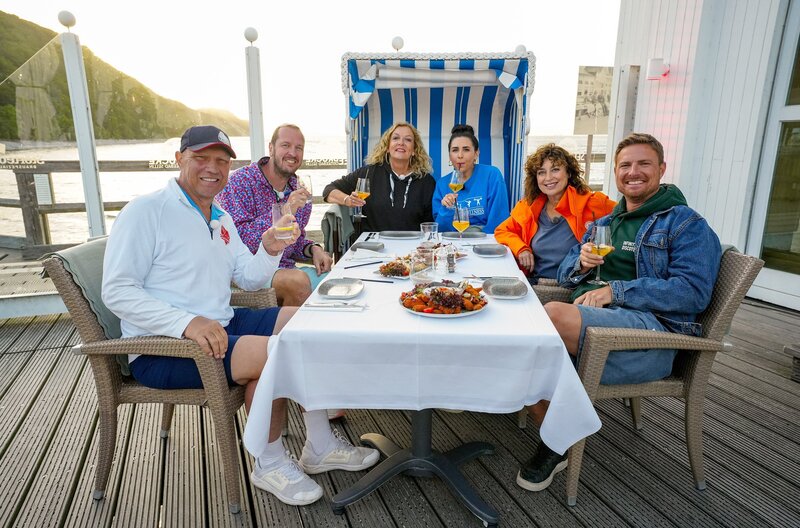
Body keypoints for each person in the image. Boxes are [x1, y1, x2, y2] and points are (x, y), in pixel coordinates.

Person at [102, 125, 377, 506]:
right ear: (179, 159)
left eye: (221, 160)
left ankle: (319, 444)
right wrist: (187, 323)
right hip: (163, 348)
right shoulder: (146, 211)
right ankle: (269, 462)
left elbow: (249, 278)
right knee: (277, 352)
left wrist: (269, 247)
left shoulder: (220, 216)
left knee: (309, 325)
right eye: (201, 158)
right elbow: (117, 291)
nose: (212, 168)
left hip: (222, 322)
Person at [515, 133, 721, 493]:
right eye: (625, 165)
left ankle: (554, 440)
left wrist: (616, 290)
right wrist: (580, 263)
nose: (633, 172)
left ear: (662, 169)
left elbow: (693, 293)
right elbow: (564, 274)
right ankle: (556, 434)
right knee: (520, 333)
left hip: (650, 337)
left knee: (549, 320)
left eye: (643, 164)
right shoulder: (606, 222)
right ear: (615, 172)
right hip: (596, 324)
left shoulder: (685, 223)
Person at [216, 124, 333, 306]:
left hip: (286, 267)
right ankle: (289, 325)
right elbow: (238, 240)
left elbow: (295, 242)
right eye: (285, 145)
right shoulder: (241, 182)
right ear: (271, 148)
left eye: (299, 148)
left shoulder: (297, 189)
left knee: (333, 283)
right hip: (248, 270)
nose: (292, 153)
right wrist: (286, 209)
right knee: (297, 281)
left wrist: (314, 249)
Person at [495, 143, 615, 283]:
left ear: (569, 173)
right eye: (541, 172)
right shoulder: (529, 206)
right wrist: (521, 249)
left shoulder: (593, 203)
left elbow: (628, 212)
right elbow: (502, 231)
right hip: (536, 283)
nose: (548, 178)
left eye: (555, 170)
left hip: (577, 285)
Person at [323, 122, 436, 233]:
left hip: (412, 243)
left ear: (414, 150)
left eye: (408, 139)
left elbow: (429, 224)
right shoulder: (368, 173)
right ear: (387, 148)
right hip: (373, 243)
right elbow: (329, 190)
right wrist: (346, 200)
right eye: (395, 138)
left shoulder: (427, 181)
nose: (401, 143)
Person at [432, 124, 510, 233]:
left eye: (466, 149)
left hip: (485, 239)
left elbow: (498, 221)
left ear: (476, 153)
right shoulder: (442, 184)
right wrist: (446, 209)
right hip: (453, 240)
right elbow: (441, 230)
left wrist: (478, 240)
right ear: (449, 156)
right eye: (455, 150)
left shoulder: (492, 175)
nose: (460, 155)